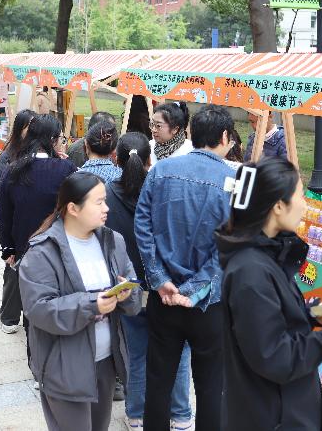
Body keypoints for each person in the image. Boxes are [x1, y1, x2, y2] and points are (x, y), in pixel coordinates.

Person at [216, 157, 322, 430]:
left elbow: (270, 319)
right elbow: (278, 359)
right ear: (278, 206)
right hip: (271, 418)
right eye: (299, 195)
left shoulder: (264, 254)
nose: (304, 204)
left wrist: (313, 315)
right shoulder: (251, 272)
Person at [135, 105, 236, 431]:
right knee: (211, 387)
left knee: (158, 380)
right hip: (209, 304)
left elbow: (142, 225)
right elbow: (232, 243)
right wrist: (194, 289)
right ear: (224, 137)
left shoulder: (161, 170)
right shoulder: (234, 181)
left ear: (190, 132)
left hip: (164, 297)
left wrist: (159, 278)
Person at [19, 171, 142, 431]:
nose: (106, 208)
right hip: (64, 365)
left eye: (105, 200)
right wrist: (91, 305)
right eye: (99, 202)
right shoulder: (43, 251)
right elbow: (38, 309)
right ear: (73, 208)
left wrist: (127, 294)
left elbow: (133, 292)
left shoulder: (113, 241)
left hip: (106, 361)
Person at [105, 132, 193, 431]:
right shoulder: (163, 190)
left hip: (127, 287)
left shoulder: (105, 196)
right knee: (178, 351)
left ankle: (136, 415)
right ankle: (180, 415)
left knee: (137, 352)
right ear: (149, 160)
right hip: (165, 285)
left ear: (116, 159)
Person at [0, 114, 77, 334]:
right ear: (52, 139)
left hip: (22, 246)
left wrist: (7, 248)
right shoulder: (66, 169)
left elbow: (3, 214)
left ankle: (21, 324)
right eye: (61, 138)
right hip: (57, 247)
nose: (63, 142)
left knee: (26, 291)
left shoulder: (13, 169)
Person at [0, 109, 36, 333]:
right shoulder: (8, 155)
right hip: (14, 221)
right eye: (29, 126)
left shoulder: (38, 153)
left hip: (35, 222)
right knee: (13, 269)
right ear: (20, 128)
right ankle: (8, 316)